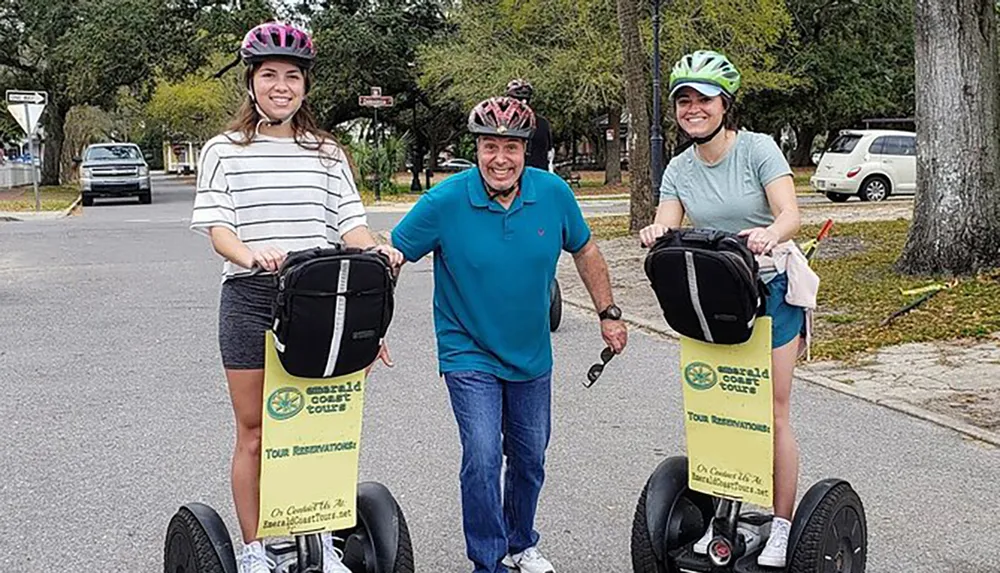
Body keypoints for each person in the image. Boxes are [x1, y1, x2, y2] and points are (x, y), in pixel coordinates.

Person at [189, 21, 403, 573]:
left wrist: (378, 249)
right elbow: (219, 229)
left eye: (291, 76)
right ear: (252, 82)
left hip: (317, 301)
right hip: (251, 297)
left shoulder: (327, 153)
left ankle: (323, 540)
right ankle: (258, 547)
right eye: (268, 75)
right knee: (256, 430)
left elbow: (351, 226)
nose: (280, 85)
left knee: (321, 429)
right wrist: (250, 255)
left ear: (305, 86)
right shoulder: (222, 150)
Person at [389, 96, 628, 573]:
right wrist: (370, 326)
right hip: (467, 350)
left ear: (526, 150)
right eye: (489, 146)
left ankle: (521, 543)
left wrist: (609, 311)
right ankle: (488, 559)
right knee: (481, 454)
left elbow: (584, 250)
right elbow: (393, 256)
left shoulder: (553, 193)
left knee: (530, 457)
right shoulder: (444, 201)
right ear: (475, 149)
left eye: (511, 148)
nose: (500, 159)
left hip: (531, 353)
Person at [639, 50, 816, 569]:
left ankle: (781, 526)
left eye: (703, 99)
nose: (693, 109)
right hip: (716, 299)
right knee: (717, 412)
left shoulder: (758, 149)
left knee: (772, 411)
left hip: (771, 293)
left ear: (725, 104)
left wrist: (770, 233)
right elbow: (667, 220)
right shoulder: (678, 167)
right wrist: (657, 231)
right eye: (684, 100)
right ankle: (722, 519)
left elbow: (791, 213)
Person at [506, 79, 553, 172]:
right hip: (540, 174)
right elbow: (549, 154)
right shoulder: (543, 122)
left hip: (516, 175)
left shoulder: (506, 123)